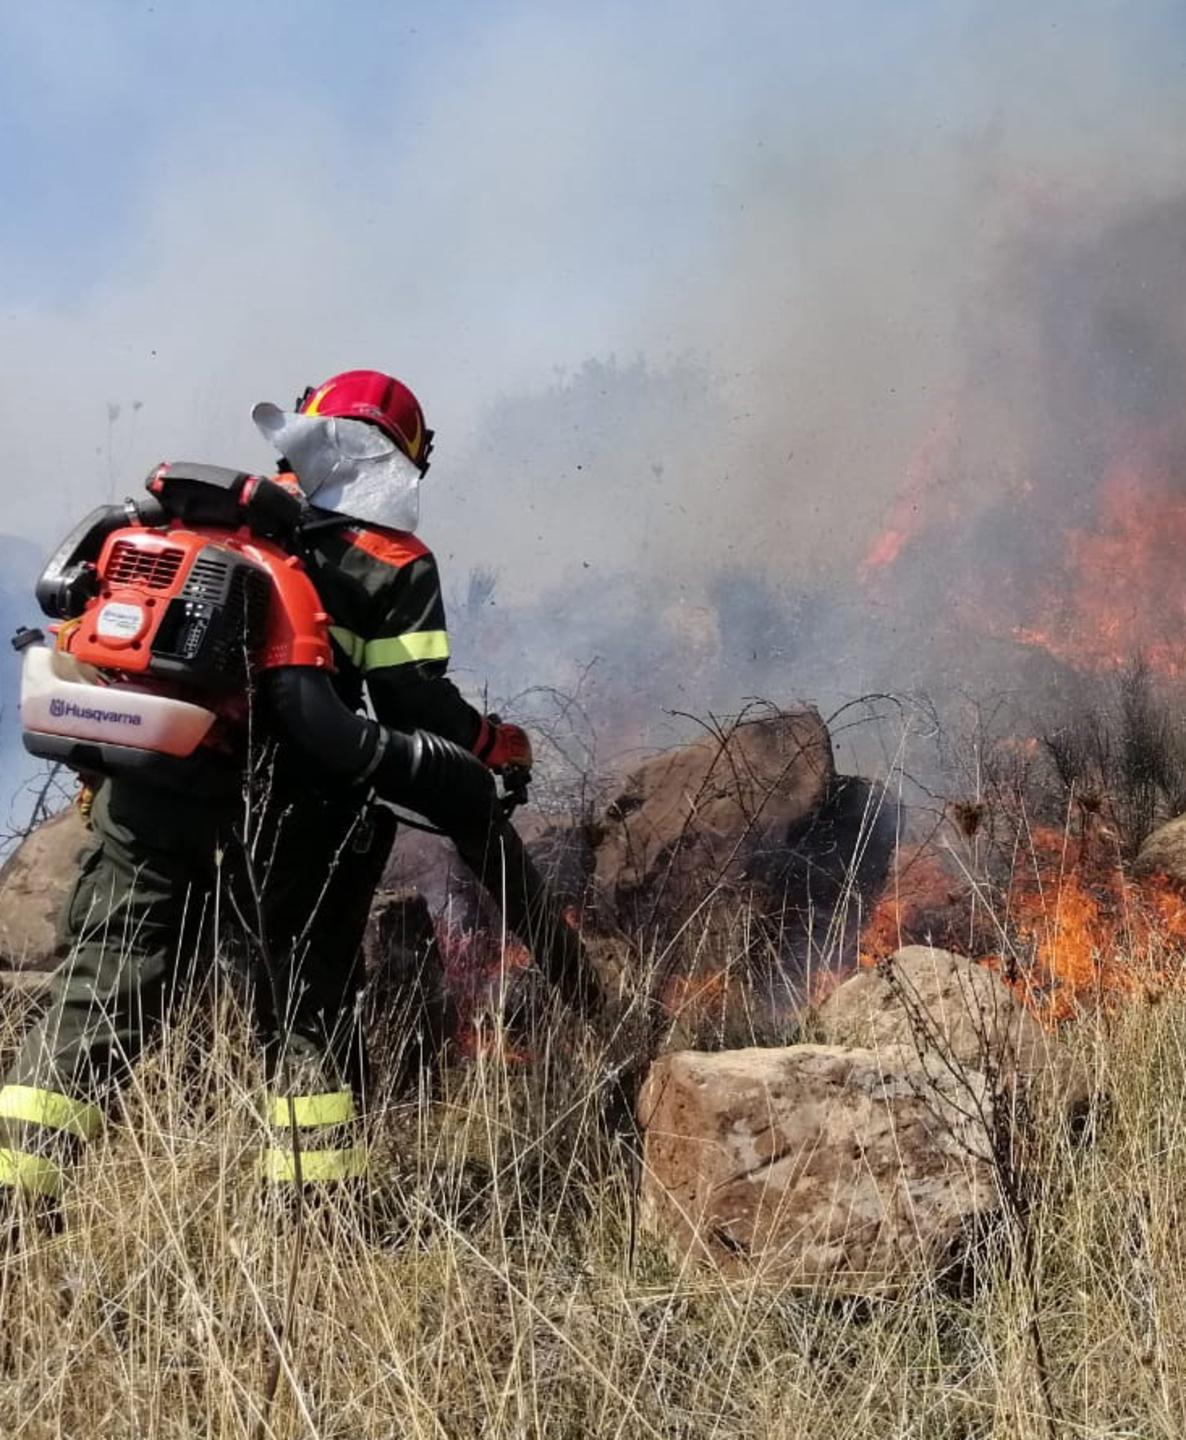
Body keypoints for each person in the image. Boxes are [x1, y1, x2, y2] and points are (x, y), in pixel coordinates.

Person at [0, 369, 597, 1206]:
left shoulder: (203, 523)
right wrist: (489, 746)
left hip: (158, 783)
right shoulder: (386, 555)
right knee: (306, 995)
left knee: (108, 979)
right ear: (405, 458)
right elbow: (411, 701)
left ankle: (15, 1192)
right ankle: (315, 1211)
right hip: (300, 806)